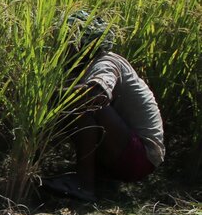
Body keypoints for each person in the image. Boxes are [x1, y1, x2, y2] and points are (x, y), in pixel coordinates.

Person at [46, 11, 164, 203]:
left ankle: (84, 185)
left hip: (140, 157)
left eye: (66, 41)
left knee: (87, 103)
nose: (61, 47)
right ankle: (94, 177)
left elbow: (97, 95)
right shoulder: (80, 67)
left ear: (81, 44)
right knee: (69, 104)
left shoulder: (106, 62)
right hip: (126, 153)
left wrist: (48, 96)